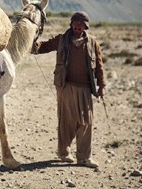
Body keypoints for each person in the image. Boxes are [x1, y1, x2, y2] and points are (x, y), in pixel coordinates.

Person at [31, 11, 106, 168]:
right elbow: (42, 47)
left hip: (86, 87)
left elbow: (99, 66)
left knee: (86, 121)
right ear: (71, 24)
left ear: (86, 27)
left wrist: (102, 85)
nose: (78, 27)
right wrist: (30, 42)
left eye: (81, 25)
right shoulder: (61, 39)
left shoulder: (92, 43)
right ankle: (64, 153)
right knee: (66, 120)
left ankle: (84, 157)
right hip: (66, 86)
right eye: (76, 24)